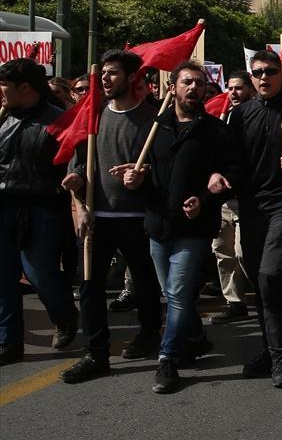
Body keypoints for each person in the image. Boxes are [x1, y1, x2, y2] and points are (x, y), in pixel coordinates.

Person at [209, 50, 282, 388]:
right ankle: (272, 347)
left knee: (271, 275)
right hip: (251, 207)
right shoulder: (239, 115)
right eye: (257, 72)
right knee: (259, 280)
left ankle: (280, 356)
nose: (264, 77)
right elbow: (231, 161)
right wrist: (219, 175)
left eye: (271, 71)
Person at [121, 61, 227, 394]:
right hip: (157, 223)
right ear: (173, 88)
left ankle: (167, 359)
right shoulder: (154, 128)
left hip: (193, 229)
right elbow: (143, 172)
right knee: (172, 293)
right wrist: (134, 179)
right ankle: (195, 337)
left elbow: (227, 175)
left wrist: (205, 198)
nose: (194, 88)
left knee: (178, 295)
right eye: (187, 83)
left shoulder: (215, 131)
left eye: (199, 83)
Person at [60, 50, 163, 383]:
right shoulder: (94, 116)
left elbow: (164, 168)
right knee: (90, 285)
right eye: (103, 72)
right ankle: (96, 353)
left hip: (138, 216)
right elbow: (80, 160)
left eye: (113, 73)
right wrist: (76, 181)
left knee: (145, 283)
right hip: (98, 216)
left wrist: (143, 173)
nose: (105, 78)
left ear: (132, 78)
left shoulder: (153, 119)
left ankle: (149, 332)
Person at [0, 59, 79, 365]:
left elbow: (77, 160)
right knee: (4, 277)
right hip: (3, 206)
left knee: (38, 272)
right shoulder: (3, 119)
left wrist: (77, 176)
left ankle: (64, 316)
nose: (1, 92)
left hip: (42, 207)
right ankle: (9, 343)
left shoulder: (59, 122)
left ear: (24, 88)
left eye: (4, 86)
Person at [209, 71, 253, 324]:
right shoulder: (222, 120)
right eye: (230, 88)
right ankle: (234, 301)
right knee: (222, 251)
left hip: (247, 199)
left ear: (250, 90)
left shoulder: (256, 118)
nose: (234, 93)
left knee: (243, 252)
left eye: (239, 88)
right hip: (223, 200)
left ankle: (264, 294)